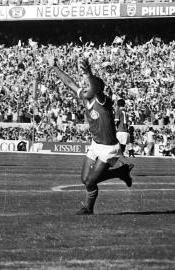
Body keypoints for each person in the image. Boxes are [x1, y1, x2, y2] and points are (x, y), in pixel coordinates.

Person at [47, 57, 134, 215]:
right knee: (85, 179)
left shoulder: (102, 100)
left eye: (88, 85)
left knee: (90, 182)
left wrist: (88, 72)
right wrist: (55, 67)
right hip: (95, 145)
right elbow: (69, 83)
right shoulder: (86, 97)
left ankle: (88, 209)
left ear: (96, 89)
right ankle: (120, 172)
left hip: (109, 148)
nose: (84, 87)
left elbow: (94, 86)